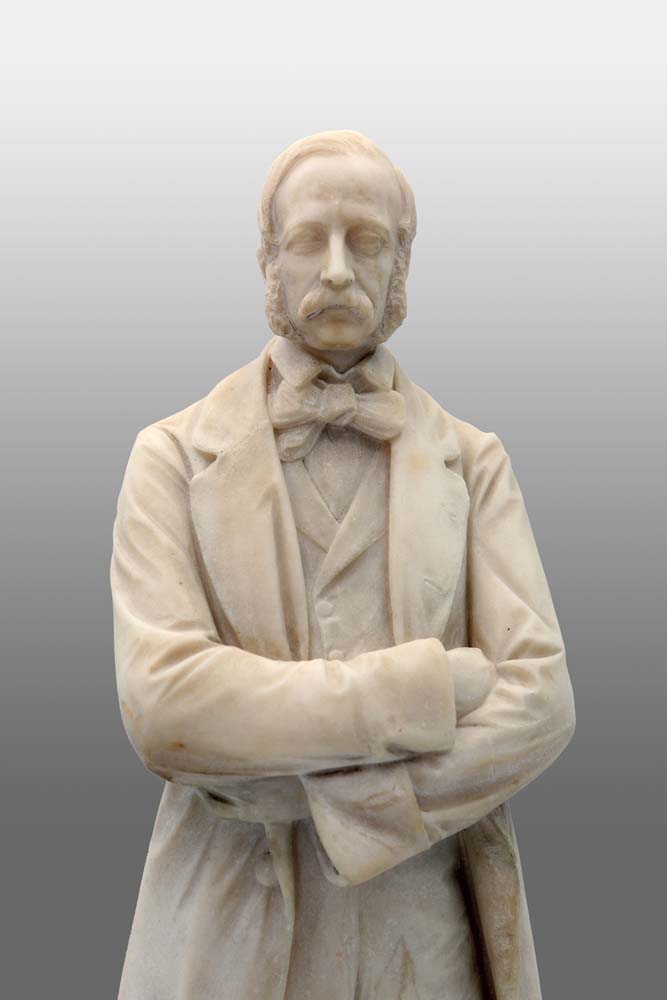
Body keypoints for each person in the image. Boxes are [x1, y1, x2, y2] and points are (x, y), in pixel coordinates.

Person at [111, 130, 576, 1000]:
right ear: (267, 260)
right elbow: (164, 704)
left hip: (425, 935)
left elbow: (540, 700)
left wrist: (354, 809)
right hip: (229, 924)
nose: (334, 270)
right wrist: (425, 690)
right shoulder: (171, 456)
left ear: (402, 264)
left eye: (365, 241)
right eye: (306, 240)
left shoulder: (472, 461)